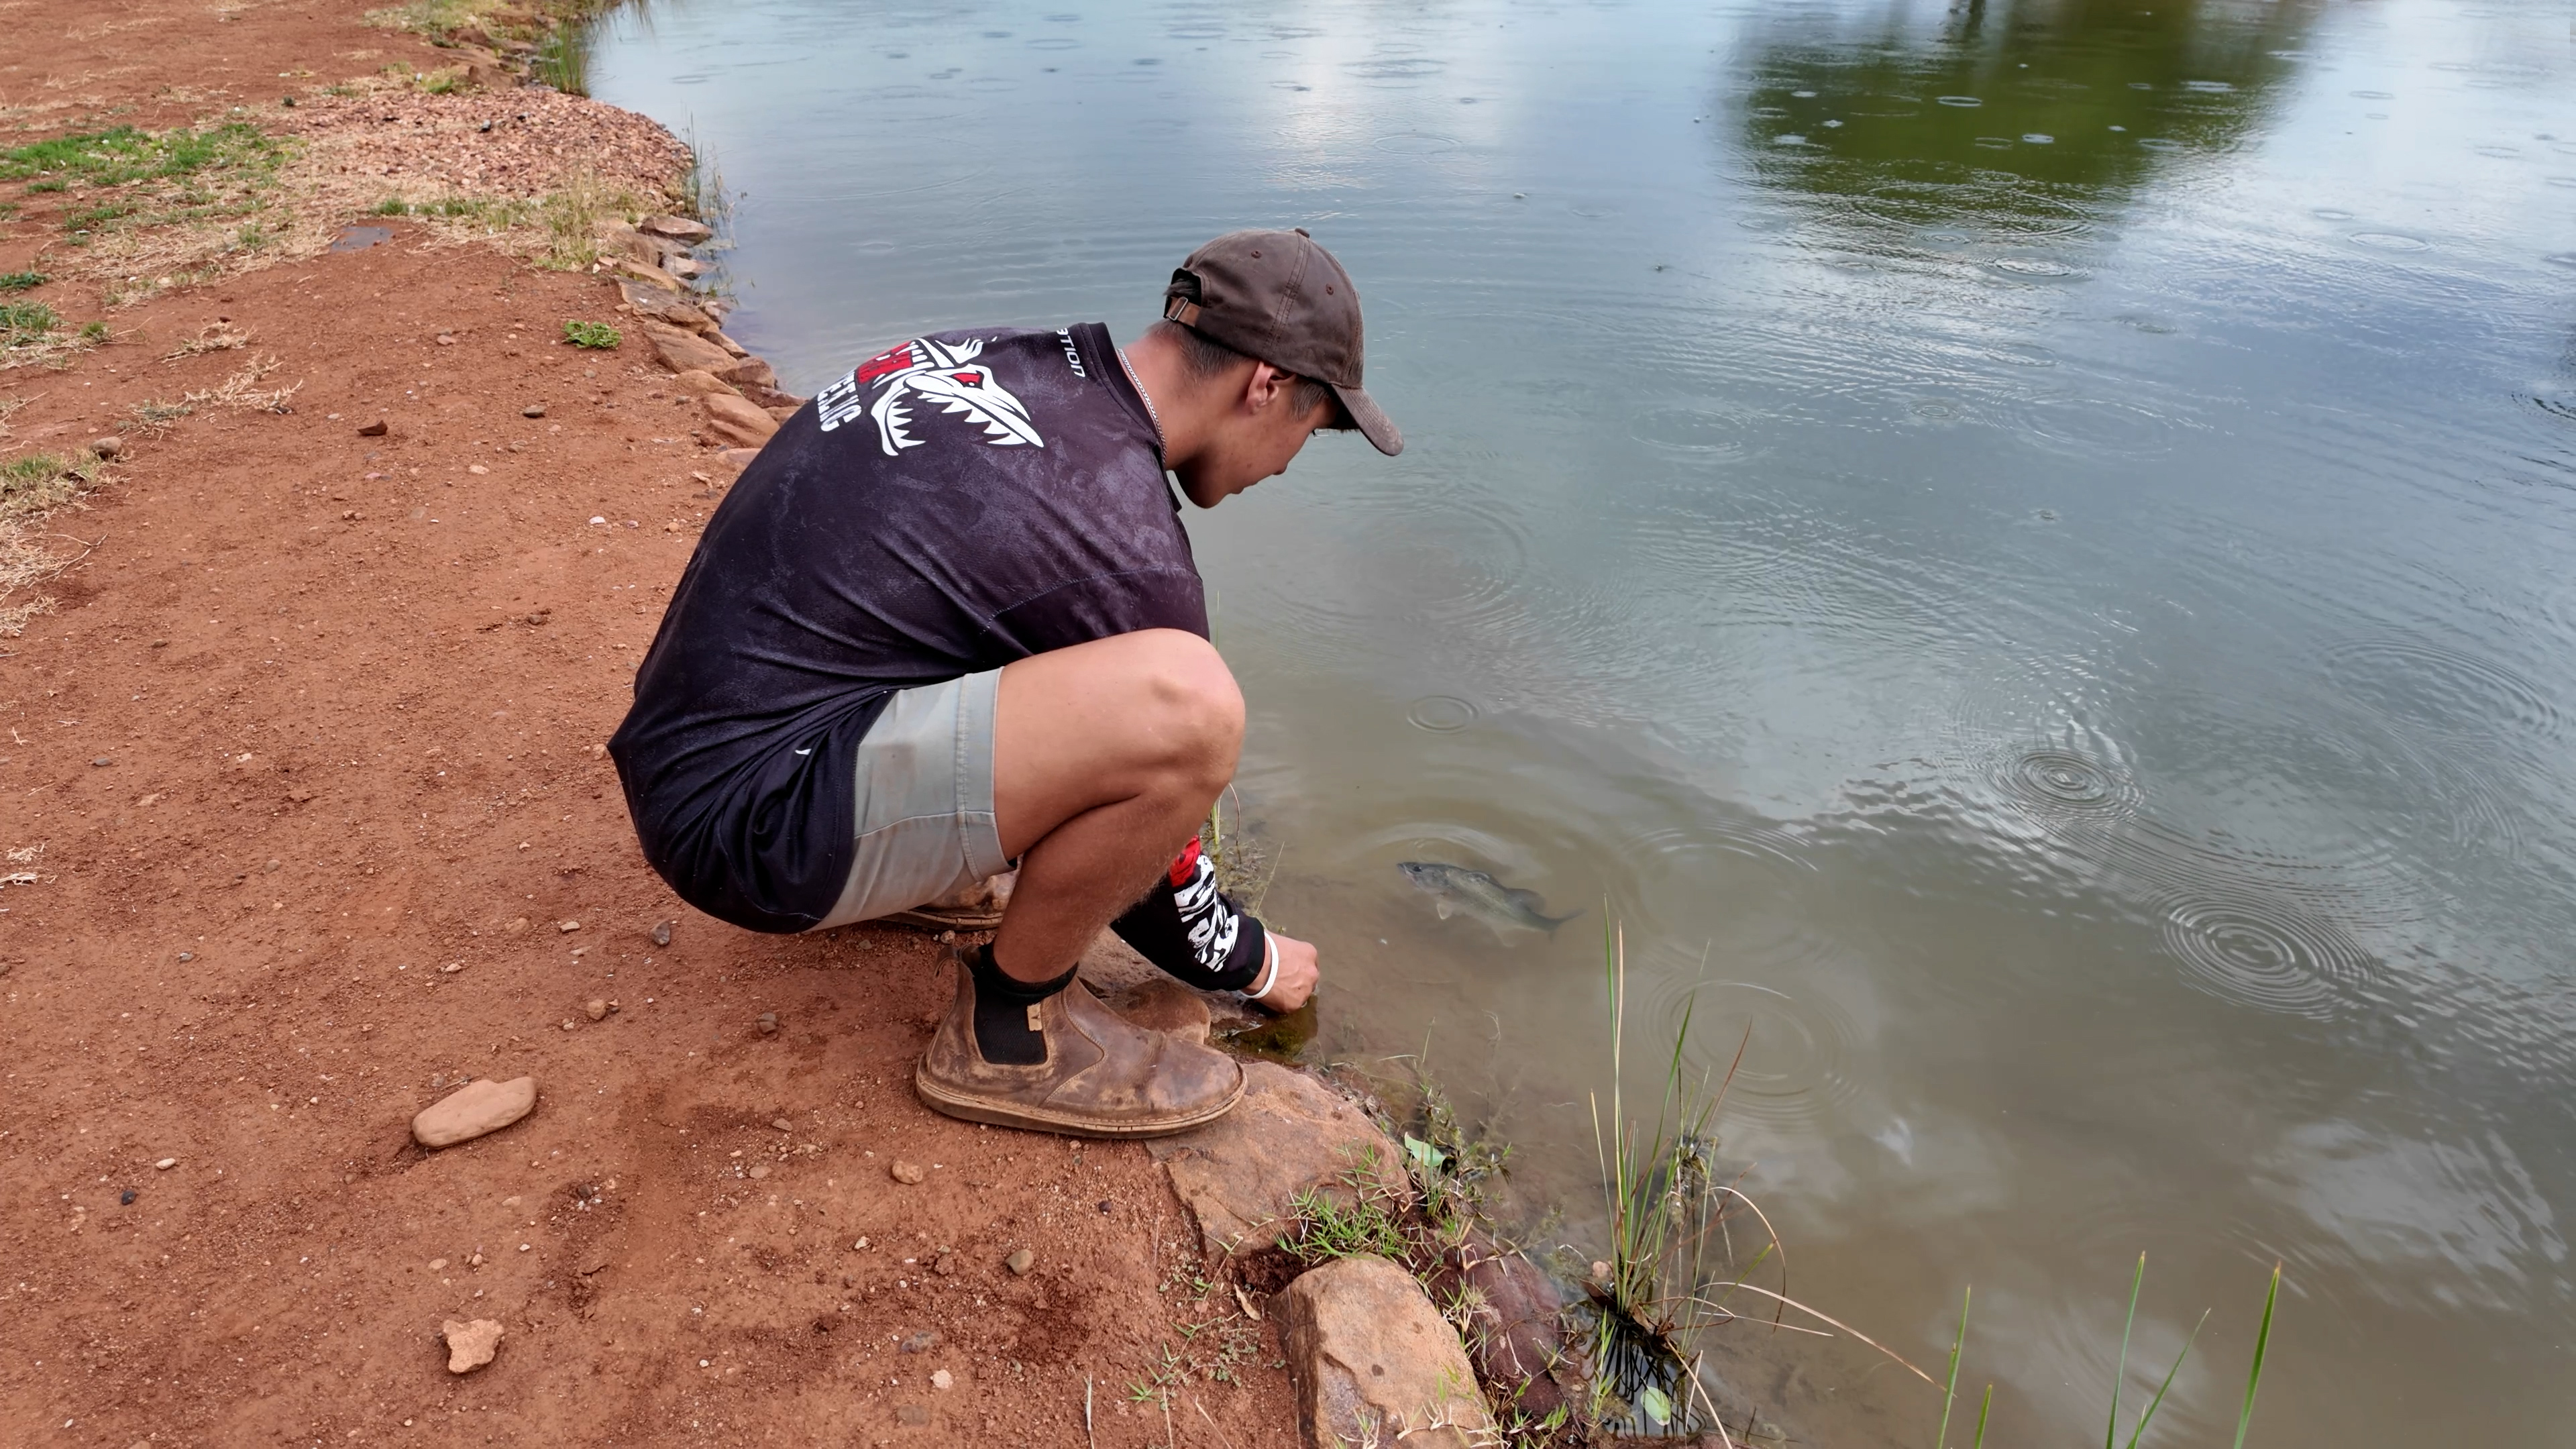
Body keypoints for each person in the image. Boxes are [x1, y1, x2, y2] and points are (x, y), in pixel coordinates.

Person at [608, 229, 1402, 1138]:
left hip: (694, 746)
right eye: (1314, 426)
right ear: (1265, 384)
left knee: (1034, 631)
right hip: (743, 829)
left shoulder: (1020, 362)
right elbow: (1156, 872)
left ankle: (911, 871)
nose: (1294, 459)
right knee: (1192, 710)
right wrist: (1257, 961)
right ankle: (1011, 1034)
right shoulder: (1121, 538)